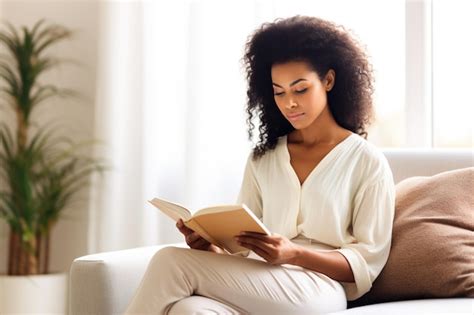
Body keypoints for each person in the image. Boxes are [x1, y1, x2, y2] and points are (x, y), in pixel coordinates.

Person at [124, 15, 395, 314]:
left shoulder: (366, 162)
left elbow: (367, 262)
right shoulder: (263, 158)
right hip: (258, 282)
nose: (289, 102)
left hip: (317, 287)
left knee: (169, 262)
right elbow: (242, 249)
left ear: (328, 80)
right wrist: (210, 248)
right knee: (189, 309)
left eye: (300, 89)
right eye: (279, 92)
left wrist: (294, 254)